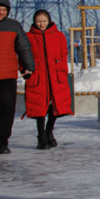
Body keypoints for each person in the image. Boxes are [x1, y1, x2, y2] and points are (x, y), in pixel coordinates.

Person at [0, 0, 34, 154]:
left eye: (4, 9)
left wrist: (28, 67)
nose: (1, 12)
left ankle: (2, 142)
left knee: (6, 110)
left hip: (7, 77)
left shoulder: (14, 26)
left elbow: (24, 48)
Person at [25, 10, 73, 149]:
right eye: (39, 21)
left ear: (49, 21)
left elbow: (64, 54)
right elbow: (23, 55)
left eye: (44, 21)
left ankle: (49, 131)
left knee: (55, 106)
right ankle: (41, 136)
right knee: (40, 108)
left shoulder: (58, 36)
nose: (41, 24)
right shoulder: (28, 37)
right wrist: (25, 70)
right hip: (38, 77)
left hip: (55, 77)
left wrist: (62, 70)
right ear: (34, 21)